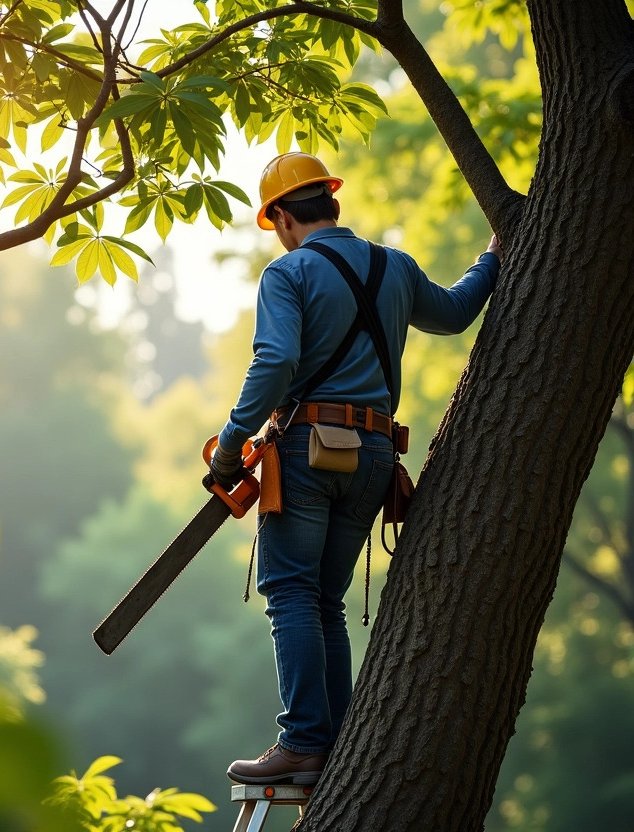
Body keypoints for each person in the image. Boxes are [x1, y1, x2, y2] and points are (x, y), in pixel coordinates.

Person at [209, 152, 502, 785]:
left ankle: (305, 742)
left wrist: (233, 443)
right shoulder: (392, 265)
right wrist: (495, 255)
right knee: (326, 601)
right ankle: (337, 745)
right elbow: (453, 314)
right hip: (373, 456)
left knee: (290, 593)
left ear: (282, 216)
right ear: (332, 201)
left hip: (308, 451)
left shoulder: (287, 274)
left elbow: (277, 360)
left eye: (275, 221)